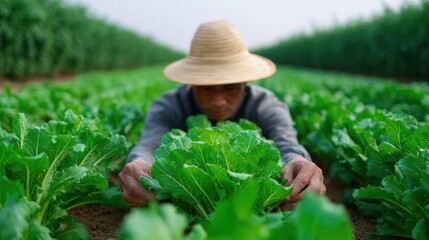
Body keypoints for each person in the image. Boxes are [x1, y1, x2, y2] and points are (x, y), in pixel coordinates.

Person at [118, 20, 326, 207]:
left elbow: (286, 142)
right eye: (207, 88)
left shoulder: (266, 105)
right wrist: (140, 161)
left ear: (246, 81)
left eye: (230, 87)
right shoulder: (168, 105)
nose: (218, 101)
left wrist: (297, 161)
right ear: (192, 82)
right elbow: (150, 142)